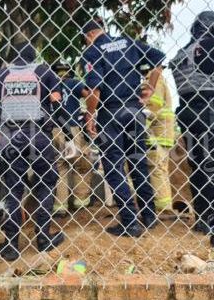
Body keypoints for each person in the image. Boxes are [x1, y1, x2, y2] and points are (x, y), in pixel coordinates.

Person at [80, 17, 166, 237]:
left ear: (88, 35)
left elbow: (94, 89)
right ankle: (148, 215)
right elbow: (159, 59)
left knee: (113, 167)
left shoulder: (92, 51)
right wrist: (150, 88)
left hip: (111, 113)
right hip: (135, 111)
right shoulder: (128, 42)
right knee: (138, 164)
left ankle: (129, 220)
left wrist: (90, 116)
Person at [0, 42, 64, 261]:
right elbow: (57, 102)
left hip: (12, 135)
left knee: (13, 189)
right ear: (33, 58)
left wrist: (2, 133)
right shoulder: (44, 71)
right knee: (46, 183)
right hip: (39, 134)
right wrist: (53, 125)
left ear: (13, 58)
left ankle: (11, 244)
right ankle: (43, 237)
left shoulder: (1, 75)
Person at [169, 11, 214, 234]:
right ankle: (212, 219)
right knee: (213, 165)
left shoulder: (184, 51)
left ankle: (202, 216)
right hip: (209, 111)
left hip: (186, 112)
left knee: (198, 165)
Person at [51, 62, 93, 217]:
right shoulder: (74, 83)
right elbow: (89, 94)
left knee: (60, 167)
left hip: (54, 129)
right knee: (81, 164)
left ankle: (60, 207)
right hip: (72, 128)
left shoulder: (49, 85)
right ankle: (80, 201)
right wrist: (88, 113)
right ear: (69, 72)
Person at [139, 65, 176, 212]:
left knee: (155, 169)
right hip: (163, 134)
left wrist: (139, 122)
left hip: (156, 134)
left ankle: (162, 208)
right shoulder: (158, 80)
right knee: (160, 169)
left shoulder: (154, 81)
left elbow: (153, 106)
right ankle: (164, 205)